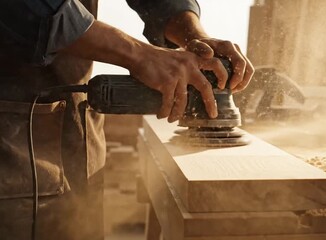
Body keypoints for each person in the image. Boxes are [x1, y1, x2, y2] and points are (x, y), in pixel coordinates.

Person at [0, 0, 254, 239]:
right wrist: (139, 55)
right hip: (12, 143)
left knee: (76, 223)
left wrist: (194, 35)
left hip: (76, 132)